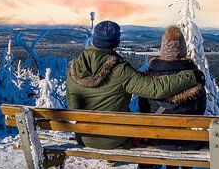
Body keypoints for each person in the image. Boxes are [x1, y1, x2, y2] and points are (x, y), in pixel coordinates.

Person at [66, 20, 198, 153]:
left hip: (83, 137)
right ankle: (147, 164)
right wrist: (191, 76)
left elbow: (73, 105)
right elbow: (155, 88)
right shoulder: (121, 71)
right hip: (115, 139)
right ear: (116, 43)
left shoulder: (75, 67)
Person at [138, 25, 207, 169]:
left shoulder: (149, 80)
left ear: (163, 50)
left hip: (159, 140)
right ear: (183, 51)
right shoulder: (196, 79)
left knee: (165, 129)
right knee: (187, 131)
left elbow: (144, 109)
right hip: (191, 141)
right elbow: (200, 112)